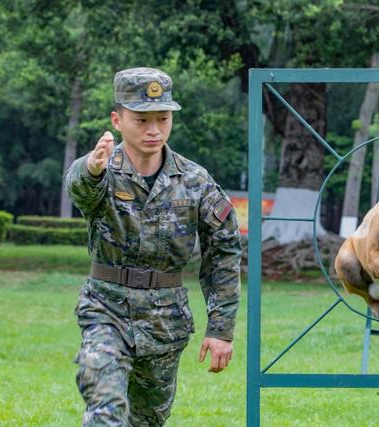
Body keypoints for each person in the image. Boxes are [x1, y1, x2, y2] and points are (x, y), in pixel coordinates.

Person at [64, 67, 241, 426]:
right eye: (142, 120)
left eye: (162, 118)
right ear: (118, 119)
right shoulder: (103, 170)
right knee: (106, 410)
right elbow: (78, 188)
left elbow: (223, 250)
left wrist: (221, 329)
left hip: (164, 322)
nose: (154, 130)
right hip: (106, 311)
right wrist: (91, 169)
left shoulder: (194, 180)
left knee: (146, 421)